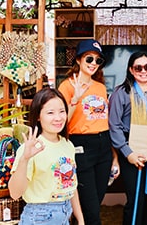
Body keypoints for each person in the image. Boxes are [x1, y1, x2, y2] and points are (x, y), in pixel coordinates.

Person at [57, 39, 114, 225]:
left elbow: (104, 121)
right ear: (79, 60)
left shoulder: (101, 87)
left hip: (104, 145)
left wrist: (114, 156)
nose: (93, 64)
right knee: (90, 207)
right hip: (81, 145)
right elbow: (61, 121)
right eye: (89, 59)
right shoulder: (66, 86)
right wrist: (75, 98)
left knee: (95, 202)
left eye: (98, 61)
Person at [108, 51, 147, 225]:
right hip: (131, 151)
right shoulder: (121, 93)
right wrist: (128, 153)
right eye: (138, 67)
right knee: (136, 200)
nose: (143, 71)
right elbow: (115, 126)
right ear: (131, 70)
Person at [8, 87, 84, 225]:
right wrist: (24, 159)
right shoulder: (30, 148)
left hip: (65, 213)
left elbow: (71, 186)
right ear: (38, 115)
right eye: (50, 113)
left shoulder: (68, 145)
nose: (58, 118)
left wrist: (80, 219)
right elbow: (15, 193)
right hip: (40, 217)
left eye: (62, 111)